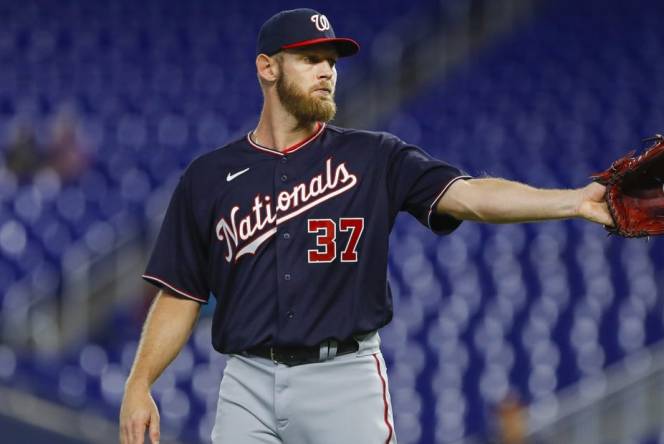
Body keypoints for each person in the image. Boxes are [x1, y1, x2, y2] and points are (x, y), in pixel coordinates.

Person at [119, 8, 612, 444]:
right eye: (310, 59)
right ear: (267, 67)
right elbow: (180, 293)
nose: (327, 71)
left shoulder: (374, 156)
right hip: (246, 381)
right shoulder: (209, 177)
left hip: (344, 380)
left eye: (331, 61)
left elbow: (470, 196)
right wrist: (139, 384)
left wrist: (573, 202)